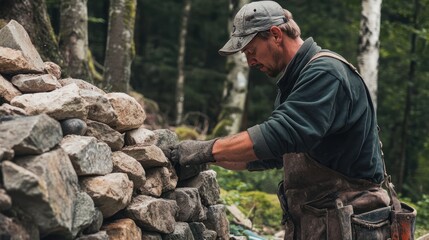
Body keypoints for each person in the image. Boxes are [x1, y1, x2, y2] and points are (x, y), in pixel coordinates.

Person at [167, 1, 394, 239]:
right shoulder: (296, 81)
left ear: (275, 35)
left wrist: (205, 149)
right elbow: (275, 153)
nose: (250, 62)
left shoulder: (325, 73)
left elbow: (280, 135)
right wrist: (211, 157)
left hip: (352, 225)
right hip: (324, 223)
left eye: (251, 51)